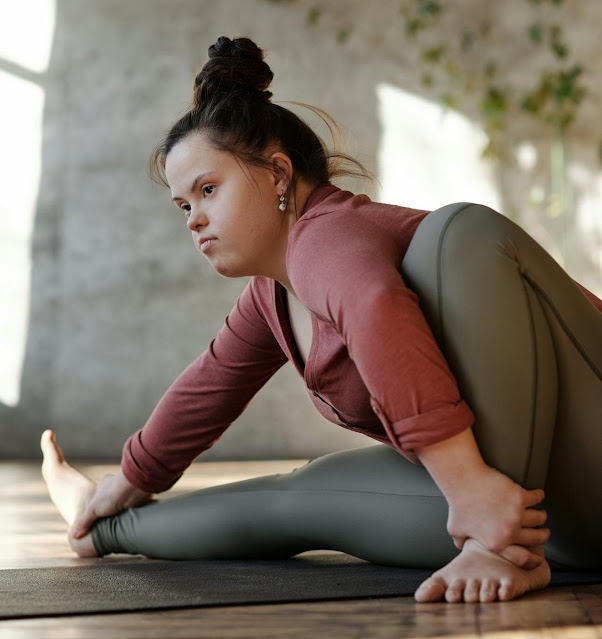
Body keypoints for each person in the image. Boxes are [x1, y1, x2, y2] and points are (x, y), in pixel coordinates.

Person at [40, 35, 602, 604]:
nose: (193, 220)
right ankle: (98, 527)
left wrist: (469, 491)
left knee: (462, 231)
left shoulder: (326, 233)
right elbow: (204, 391)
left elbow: (374, 306)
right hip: (540, 516)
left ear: (279, 174)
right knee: (298, 494)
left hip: (571, 464)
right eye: (185, 205)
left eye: (209, 190)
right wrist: (121, 487)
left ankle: (497, 543)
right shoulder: (271, 296)